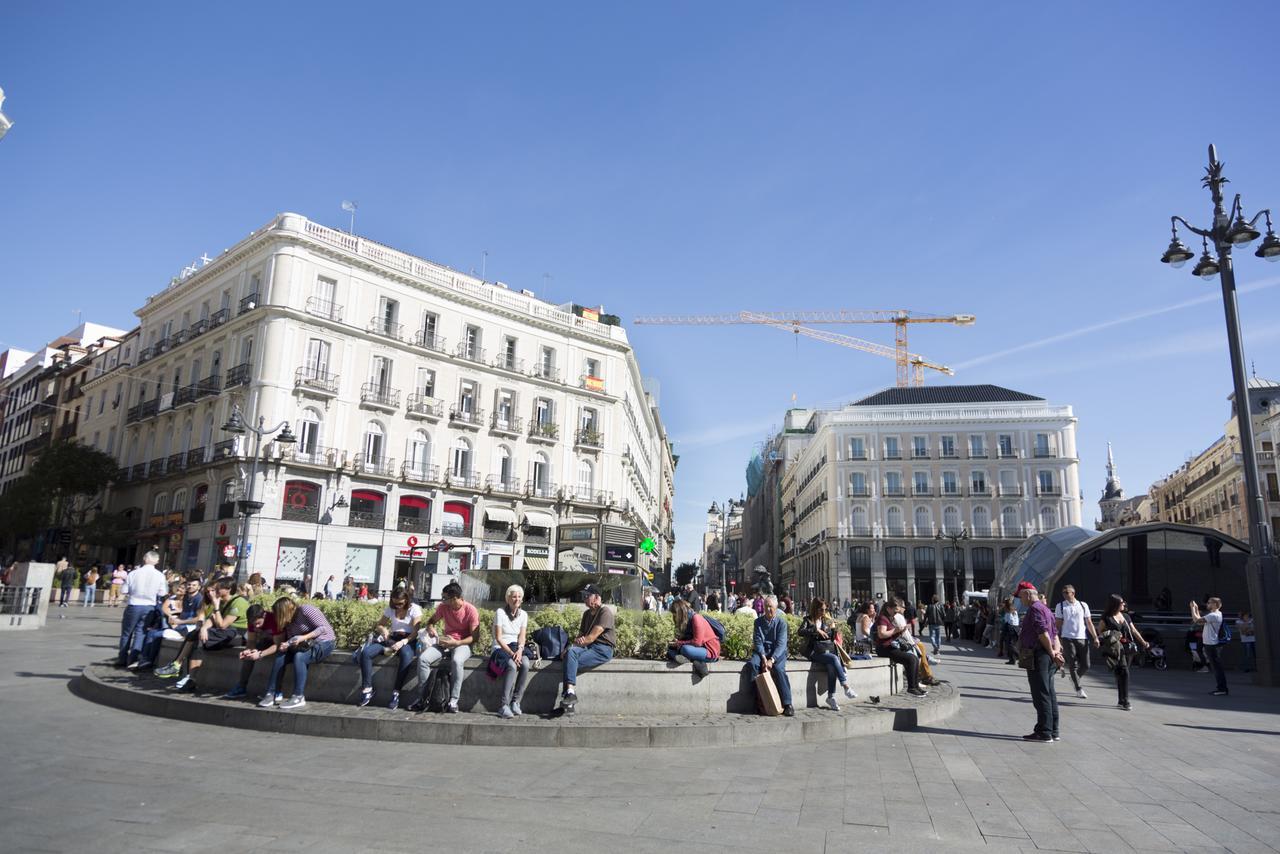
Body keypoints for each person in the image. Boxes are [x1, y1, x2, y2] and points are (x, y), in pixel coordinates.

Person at [156, 578, 251, 692]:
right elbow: (212, 618)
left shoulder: (239, 602)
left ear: (228, 589)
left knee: (196, 637)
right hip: (222, 632)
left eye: (218, 588)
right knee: (196, 637)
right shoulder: (220, 600)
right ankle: (186, 675)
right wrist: (204, 628)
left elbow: (222, 625)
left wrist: (216, 607)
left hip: (236, 634)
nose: (215, 591)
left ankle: (179, 667)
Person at [248, 597, 337, 710]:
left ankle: (298, 696)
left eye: (278, 614)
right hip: (303, 645)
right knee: (281, 655)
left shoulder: (306, 610)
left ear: (284, 611)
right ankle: (271, 693)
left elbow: (324, 628)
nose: (277, 617)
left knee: (299, 657)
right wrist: (288, 644)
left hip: (324, 642)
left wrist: (303, 637)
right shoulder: (288, 622)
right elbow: (292, 638)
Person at [409, 581, 479, 714]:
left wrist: (456, 643)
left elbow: (475, 638)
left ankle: (453, 701)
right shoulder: (443, 607)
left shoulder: (471, 610)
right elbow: (431, 621)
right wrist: (431, 628)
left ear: (454, 599)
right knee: (423, 659)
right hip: (446, 642)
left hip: (463, 644)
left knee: (457, 661)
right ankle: (423, 698)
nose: (442, 600)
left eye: (444, 598)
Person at [355, 589, 423, 710]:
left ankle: (396, 692)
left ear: (406, 600)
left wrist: (403, 642)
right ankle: (367, 689)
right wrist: (384, 630)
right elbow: (380, 624)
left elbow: (416, 631)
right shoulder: (391, 608)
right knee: (366, 653)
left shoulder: (414, 609)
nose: (397, 606)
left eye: (400, 603)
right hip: (392, 638)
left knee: (406, 655)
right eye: (395, 603)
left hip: (408, 639)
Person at [557, 584, 615, 716]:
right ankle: (570, 696)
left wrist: (582, 642)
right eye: (584, 595)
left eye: (587, 595)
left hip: (603, 649)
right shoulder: (586, 614)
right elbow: (580, 636)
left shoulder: (605, 612)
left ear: (597, 598)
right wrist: (570, 647)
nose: (585, 598)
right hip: (589, 647)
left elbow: (591, 637)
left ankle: (569, 701)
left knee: (570, 660)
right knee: (569, 654)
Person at [1016, 581, 1063, 742]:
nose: (1020, 600)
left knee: (1040, 693)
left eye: (1020, 596)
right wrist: (1055, 652)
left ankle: (1044, 732)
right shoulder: (1046, 609)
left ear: (1028, 594)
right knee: (1049, 693)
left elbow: (1043, 632)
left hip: (1039, 655)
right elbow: (1055, 634)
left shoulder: (1035, 609)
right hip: (1048, 654)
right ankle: (1053, 730)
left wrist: (1051, 652)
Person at [799, 598, 856, 710]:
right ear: (815, 609)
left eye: (825, 609)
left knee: (831, 666)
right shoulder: (808, 620)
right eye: (821, 610)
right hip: (813, 651)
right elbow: (800, 632)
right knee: (834, 659)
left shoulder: (826, 620)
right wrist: (816, 630)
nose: (823, 612)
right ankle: (845, 686)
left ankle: (831, 697)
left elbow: (831, 638)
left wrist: (833, 629)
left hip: (826, 651)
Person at [1097, 594, 1147, 711]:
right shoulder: (1106, 618)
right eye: (1122, 603)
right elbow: (1099, 632)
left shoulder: (1125, 616)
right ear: (1115, 604)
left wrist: (1144, 642)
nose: (1124, 604)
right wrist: (1108, 637)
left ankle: (1120, 700)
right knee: (1124, 672)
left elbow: (1134, 631)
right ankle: (1126, 701)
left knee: (1121, 673)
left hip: (1127, 648)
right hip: (1115, 649)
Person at [115, 551, 166, 666]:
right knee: (141, 633)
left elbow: (124, 590)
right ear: (157, 561)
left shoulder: (133, 573)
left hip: (134, 604)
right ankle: (133, 659)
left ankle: (122, 658)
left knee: (126, 633)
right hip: (149, 606)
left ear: (144, 559)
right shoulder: (160, 575)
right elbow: (162, 592)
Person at [747, 595, 794, 715]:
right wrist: (763, 657)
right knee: (753, 665)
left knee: (779, 669)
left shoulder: (781, 623)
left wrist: (771, 660)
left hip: (777, 653)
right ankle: (756, 702)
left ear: (776, 607)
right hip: (762, 652)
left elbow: (781, 644)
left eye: (771, 607)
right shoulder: (758, 622)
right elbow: (757, 641)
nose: (768, 609)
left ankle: (788, 704)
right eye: (766, 607)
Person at [871, 598, 927, 696]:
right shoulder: (882, 618)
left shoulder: (889, 618)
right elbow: (882, 634)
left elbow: (891, 635)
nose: (896, 613)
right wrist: (896, 630)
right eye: (895, 610)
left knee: (914, 658)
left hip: (890, 646)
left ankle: (915, 686)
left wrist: (901, 631)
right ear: (888, 608)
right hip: (884, 648)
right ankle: (911, 687)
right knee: (911, 659)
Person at [225, 603, 282, 700]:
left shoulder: (273, 619)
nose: (256, 626)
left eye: (259, 623)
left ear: (264, 615)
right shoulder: (252, 621)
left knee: (279, 658)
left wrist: (260, 654)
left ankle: (272, 689)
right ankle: (241, 686)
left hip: (280, 643)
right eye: (254, 624)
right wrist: (248, 651)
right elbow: (251, 641)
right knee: (248, 657)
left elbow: (278, 644)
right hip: (265, 641)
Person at [491, 584, 531, 718]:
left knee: (525, 663)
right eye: (514, 596)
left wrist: (519, 651)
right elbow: (498, 637)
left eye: (519, 597)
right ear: (508, 599)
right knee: (512, 665)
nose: (517, 599)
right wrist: (512, 654)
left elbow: (522, 636)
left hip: (516, 647)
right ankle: (503, 705)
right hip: (501, 647)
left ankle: (516, 701)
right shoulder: (500, 613)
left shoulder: (524, 614)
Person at [1054, 585, 1099, 699]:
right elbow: (1058, 623)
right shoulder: (1061, 606)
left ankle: (1074, 678)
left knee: (1086, 665)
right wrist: (1055, 638)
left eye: (1066, 592)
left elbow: (1089, 622)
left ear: (1073, 593)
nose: (1064, 594)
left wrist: (1095, 637)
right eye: (1063, 592)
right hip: (1067, 638)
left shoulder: (1083, 605)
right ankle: (1078, 688)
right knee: (1073, 664)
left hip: (1082, 638)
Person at [666, 597, 719, 678]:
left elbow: (697, 642)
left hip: (709, 650)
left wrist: (679, 643)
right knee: (670, 650)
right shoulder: (687, 619)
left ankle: (686, 656)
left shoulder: (696, 618)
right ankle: (686, 657)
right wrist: (677, 641)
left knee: (685, 649)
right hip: (698, 648)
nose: (674, 617)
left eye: (675, 614)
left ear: (680, 612)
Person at [1190, 597, 1229, 696]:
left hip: (1212, 645)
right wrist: (1196, 608)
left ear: (1215, 605)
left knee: (1217, 668)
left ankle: (1222, 689)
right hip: (1211, 644)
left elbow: (1197, 621)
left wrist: (1192, 608)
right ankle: (1222, 688)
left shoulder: (1213, 615)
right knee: (1216, 667)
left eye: (1209, 603)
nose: (1207, 604)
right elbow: (1200, 620)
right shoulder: (1217, 614)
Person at [1000, 597, 1021, 665]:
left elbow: (1010, 621)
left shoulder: (1009, 611)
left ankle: (1018, 656)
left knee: (1010, 644)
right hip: (1015, 628)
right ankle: (1012, 659)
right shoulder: (1014, 610)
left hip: (1010, 628)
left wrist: (1006, 623)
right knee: (1011, 644)